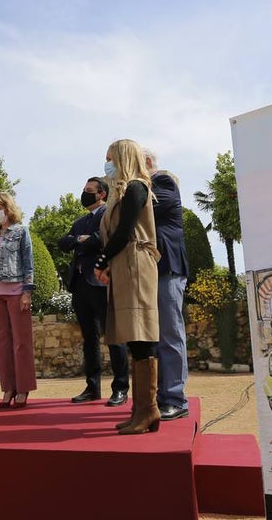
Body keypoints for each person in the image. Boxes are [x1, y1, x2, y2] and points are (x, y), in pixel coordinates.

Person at [94, 139, 161, 435]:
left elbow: (124, 232)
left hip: (135, 263)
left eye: (111, 158)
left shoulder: (136, 187)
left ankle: (148, 410)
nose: (108, 163)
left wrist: (101, 260)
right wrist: (108, 263)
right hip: (125, 263)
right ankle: (141, 410)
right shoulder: (123, 192)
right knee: (134, 337)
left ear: (123, 157)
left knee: (141, 335)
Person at [59, 177, 129, 406]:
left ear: (101, 194)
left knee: (114, 336)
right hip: (79, 284)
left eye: (89, 190)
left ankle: (120, 388)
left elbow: (102, 240)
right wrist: (80, 239)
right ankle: (92, 387)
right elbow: (63, 242)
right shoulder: (80, 221)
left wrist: (82, 242)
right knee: (89, 338)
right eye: (83, 189)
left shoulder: (108, 215)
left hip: (102, 280)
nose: (84, 193)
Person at [142, 148, 190, 422]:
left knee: (171, 334)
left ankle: (175, 398)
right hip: (150, 270)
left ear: (147, 162)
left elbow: (146, 206)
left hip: (168, 269)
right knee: (156, 337)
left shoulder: (163, 182)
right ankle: (160, 396)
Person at [0, 192, 37, 409]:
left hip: (16, 291)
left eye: (0, 207)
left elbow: (28, 262)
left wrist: (27, 291)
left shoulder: (21, 231)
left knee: (21, 342)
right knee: (1, 343)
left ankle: (23, 388)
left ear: (9, 208)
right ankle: (8, 388)